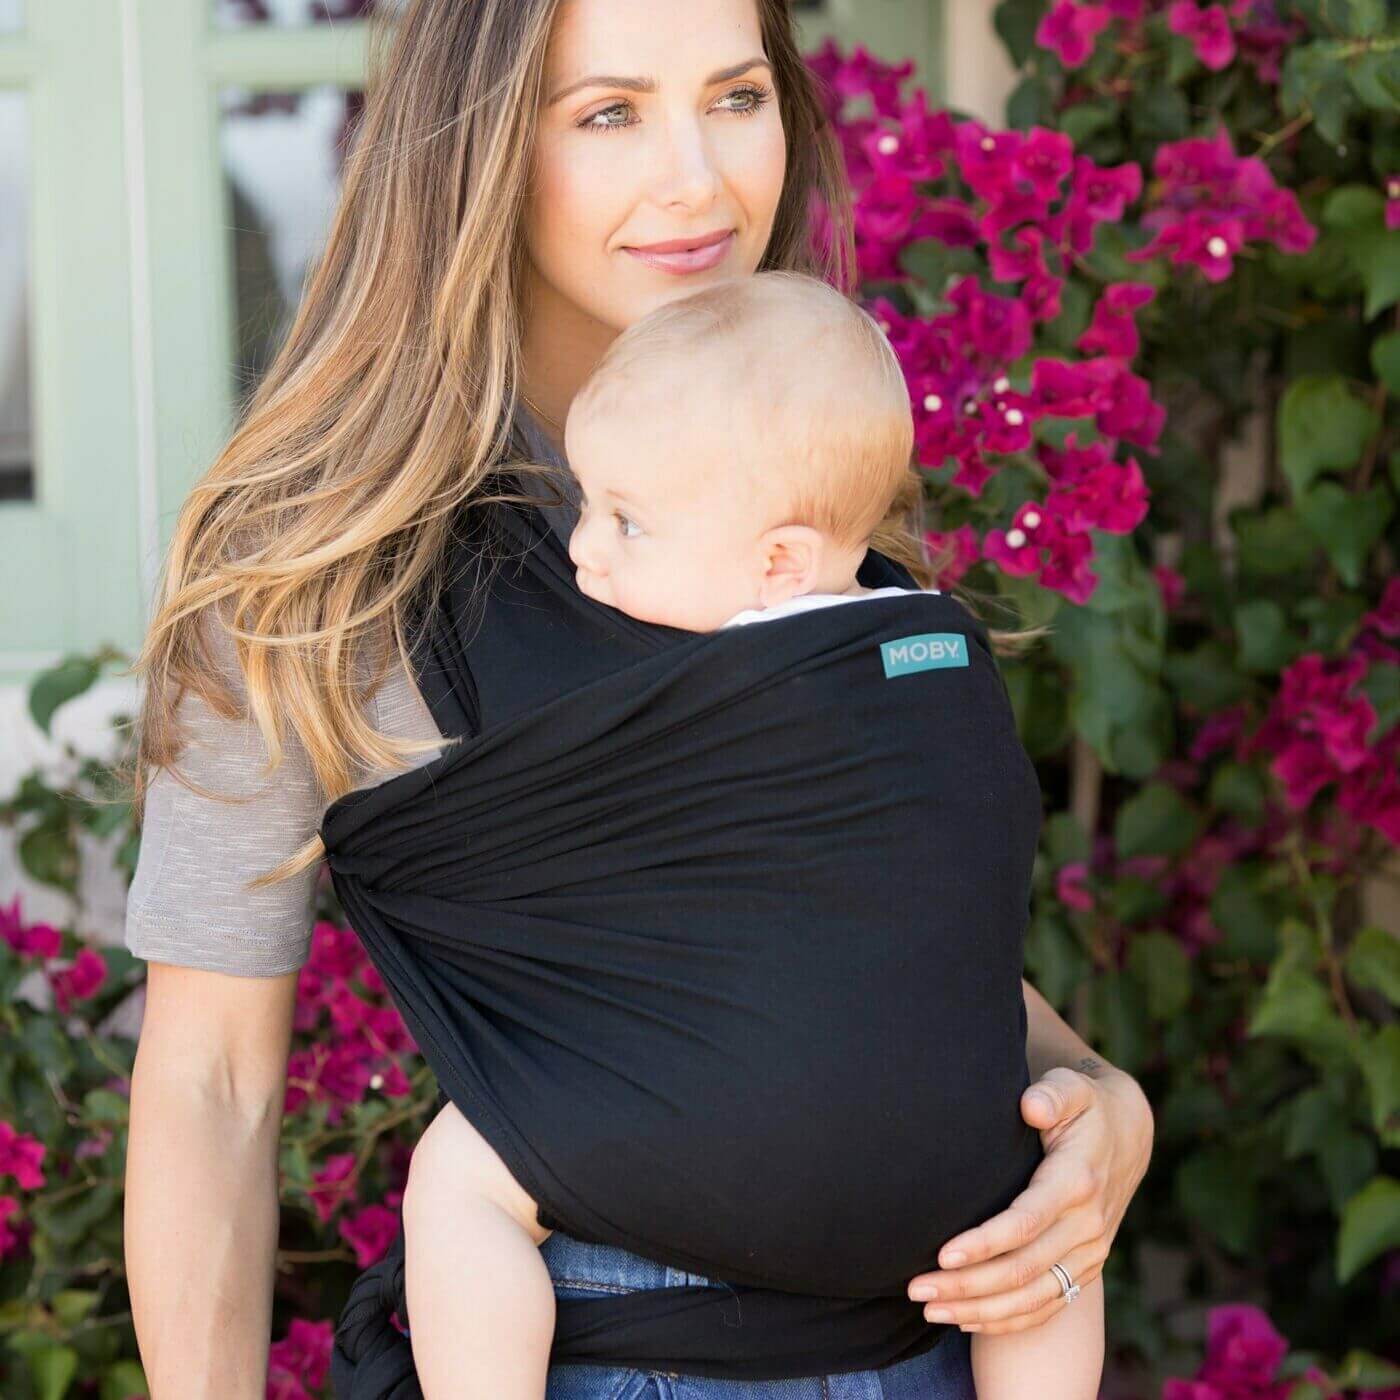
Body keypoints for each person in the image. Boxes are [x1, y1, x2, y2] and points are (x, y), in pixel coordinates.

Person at [119, 1, 1154, 1396]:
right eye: (609, 112)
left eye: (736, 97)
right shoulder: (317, 574)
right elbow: (213, 1089)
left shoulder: (811, 487)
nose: (700, 179)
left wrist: (1104, 1102)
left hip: (923, 1353)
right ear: (476, 149)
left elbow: (849, 937)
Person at [399, 268, 1105, 1399]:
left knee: (457, 1180)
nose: (583, 550)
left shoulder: (697, 686)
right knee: (1036, 1247)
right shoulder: (933, 654)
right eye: (589, 502)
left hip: (703, 1135)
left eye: (625, 518)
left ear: (775, 561)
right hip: (942, 1144)